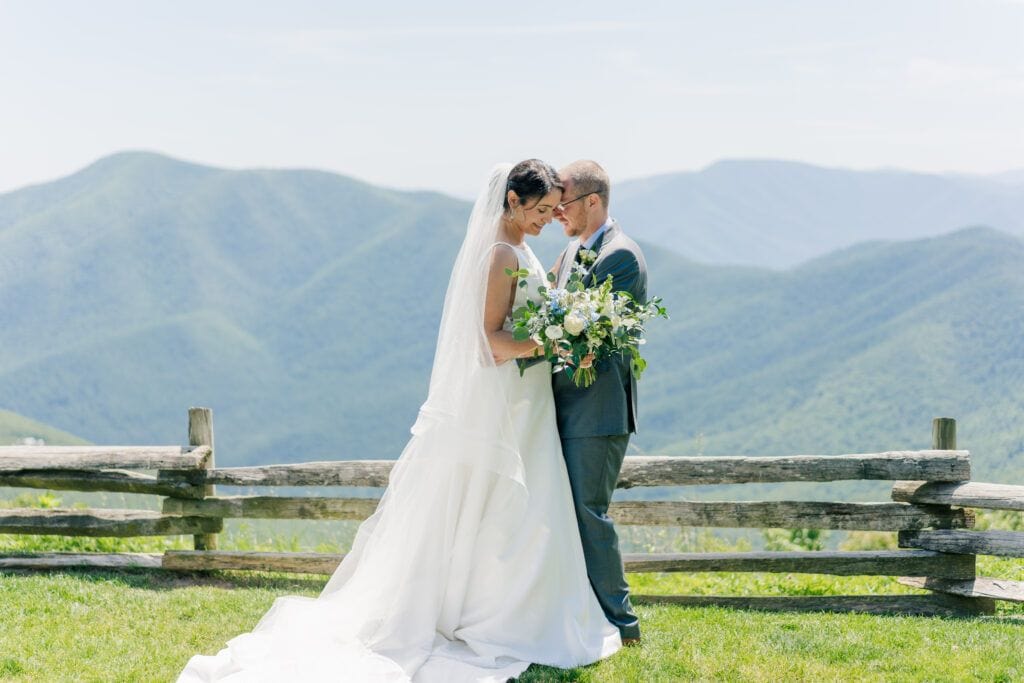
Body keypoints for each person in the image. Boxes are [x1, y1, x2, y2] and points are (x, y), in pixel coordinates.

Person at [176, 160, 621, 682]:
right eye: (542, 210)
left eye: (554, 210)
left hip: (528, 405)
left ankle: (501, 608)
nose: (549, 219)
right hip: (505, 403)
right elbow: (487, 345)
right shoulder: (502, 255)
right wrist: (552, 341)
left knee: (511, 511)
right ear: (513, 203)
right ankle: (488, 615)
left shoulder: (521, 249)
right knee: (496, 506)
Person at [550, 160, 648, 645]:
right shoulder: (572, 252)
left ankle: (623, 625)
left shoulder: (620, 257)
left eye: (563, 203)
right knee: (566, 513)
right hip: (564, 406)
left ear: (592, 202)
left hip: (596, 410)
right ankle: (576, 612)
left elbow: (592, 340)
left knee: (590, 514)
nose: (556, 213)